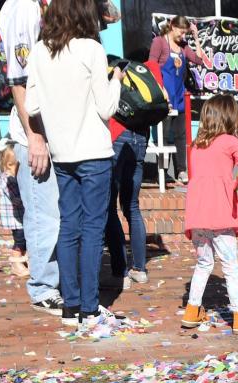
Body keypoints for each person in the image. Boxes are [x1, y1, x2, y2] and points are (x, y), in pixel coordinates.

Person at [25, 0, 123, 328]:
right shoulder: (91, 49)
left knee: (69, 227)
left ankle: (71, 305)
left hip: (62, 154)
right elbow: (107, 107)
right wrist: (118, 78)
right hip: (93, 151)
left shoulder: (40, 51)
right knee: (93, 229)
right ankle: (90, 307)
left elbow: (33, 104)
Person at [0, 0, 65, 315]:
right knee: (44, 213)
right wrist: (34, 136)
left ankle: (57, 280)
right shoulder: (22, 8)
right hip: (36, 134)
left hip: (61, 130)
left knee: (57, 211)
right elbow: (19, 80)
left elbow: (111, 13)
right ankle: (43, 287)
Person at [181, 95, 238, 334]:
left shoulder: (195, 146)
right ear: (231, 117)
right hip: (221, 216)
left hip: (197, 216)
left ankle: (192, 310)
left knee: (204, 263)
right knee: (230, 266)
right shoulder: (230, 142)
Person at [105, 57, 164, 289]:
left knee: (108, 207)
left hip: (117, 137)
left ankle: (120, 272)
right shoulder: (147, 72)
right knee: (132, 206)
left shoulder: (110, 70)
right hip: (140, 138)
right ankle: (139, 268)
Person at [152, 16, 205, 185]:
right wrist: (161, 91)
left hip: (179, 96)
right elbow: (151, 67)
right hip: (164, 97)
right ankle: (164, 172)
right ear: (172, 26)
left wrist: (195, 37)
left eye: (185, 33)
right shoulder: (159, 42)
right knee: (165, 136)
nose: (183, 36)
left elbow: (199, 60)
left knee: (180, 135)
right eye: (181, 32)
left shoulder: (183, 46)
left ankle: (181, 170)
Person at [0, 145, 28, 277]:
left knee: (26, 238)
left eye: (16, 165)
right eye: (10, 165)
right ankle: (16, 261)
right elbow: (16, 199)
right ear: (5, 165)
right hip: (15, 218)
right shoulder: (8, 179)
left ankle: (25, 259)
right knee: (20, 239)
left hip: (21, 216)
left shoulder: (18, 177)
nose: (14, 168)